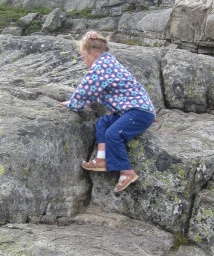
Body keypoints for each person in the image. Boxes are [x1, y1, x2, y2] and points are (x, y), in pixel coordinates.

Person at [63, 31, 156, 193]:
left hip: (138, 112)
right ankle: (101, 159)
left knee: (113, 133)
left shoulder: (101, 66)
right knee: (103, 123)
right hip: (130, 111)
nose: (84, 62)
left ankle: (127, 172)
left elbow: (87, 89)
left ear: (93, 53)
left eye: (84, 57)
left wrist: (73, 104)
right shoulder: (109, 62)